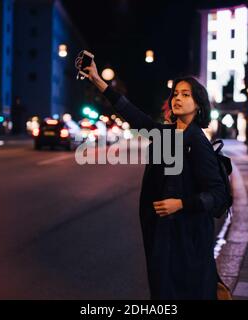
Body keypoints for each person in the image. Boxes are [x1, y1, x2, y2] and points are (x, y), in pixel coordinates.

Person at [82, 59, 228, 300]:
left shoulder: (198, 143)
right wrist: (98, 81)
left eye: (186, 94)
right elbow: (135, 116)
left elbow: (218, 194)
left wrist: (182, 203)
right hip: (165, 232)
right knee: (163, 290)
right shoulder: (168, 134)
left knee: (180, 291)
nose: (177, 98)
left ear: (199, 105)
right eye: (175, 94)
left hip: (187, 237)